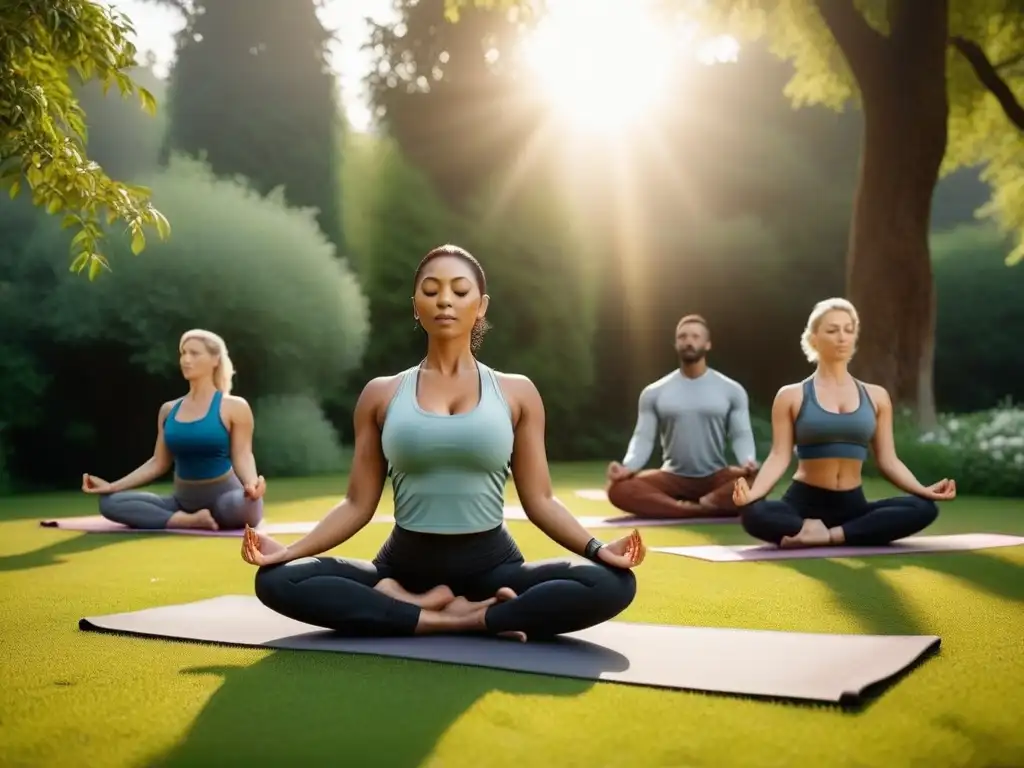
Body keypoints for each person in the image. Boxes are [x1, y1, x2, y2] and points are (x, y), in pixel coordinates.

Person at [242, 244, 643, 642]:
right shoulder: (381, 394)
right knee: (277, 581)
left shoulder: (518, 392)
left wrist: (596, 549)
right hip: (403, 566)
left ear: (481, 305)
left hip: (493, 568)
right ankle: (457, 619)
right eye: (430, 291)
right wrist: (290, 552)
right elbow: (356, 504)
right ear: (416, 306)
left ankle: (410, 610)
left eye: (459, 290)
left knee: (613, 584)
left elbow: (540, 500)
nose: (444, 301)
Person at [732, 297, 954, 548]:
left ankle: (829, 534)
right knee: (754, 513)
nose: (842, 337)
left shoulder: (876, 396)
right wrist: (754, 494)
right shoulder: (791, 395)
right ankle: (828, 530)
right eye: (832, 330)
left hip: (852, 504)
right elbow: (779, 456)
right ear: (814, 338)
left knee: (923, 508)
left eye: (849, 330)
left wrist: (923, 490)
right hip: (803, 503)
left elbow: (888, 460)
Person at [82, 329, 266, 531]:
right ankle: (184, 520)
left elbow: (243, 455)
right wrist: (112, 486)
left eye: (194, 353)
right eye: (183, 353)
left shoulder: (234, 406)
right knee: (109, 503)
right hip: (182, 503)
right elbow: (158, 463)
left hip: (225, 500)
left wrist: (251, 484)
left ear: (215, 359)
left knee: (245, 506)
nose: (186, 359)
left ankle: (189, 518)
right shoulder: (169, 410)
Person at [605, 314, 759, 519]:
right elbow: (643, 436)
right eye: (683, 337)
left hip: (716, 477)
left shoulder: (731, 389)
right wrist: (628, 467)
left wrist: (747, 460)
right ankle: (697, 509)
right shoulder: (654, 392)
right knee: (618, 489)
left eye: (695, 336)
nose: (688, 341)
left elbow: (741, 434)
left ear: (707, 344)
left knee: (760, 479)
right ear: (676, 343)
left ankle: (698, 504)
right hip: (671, 477)